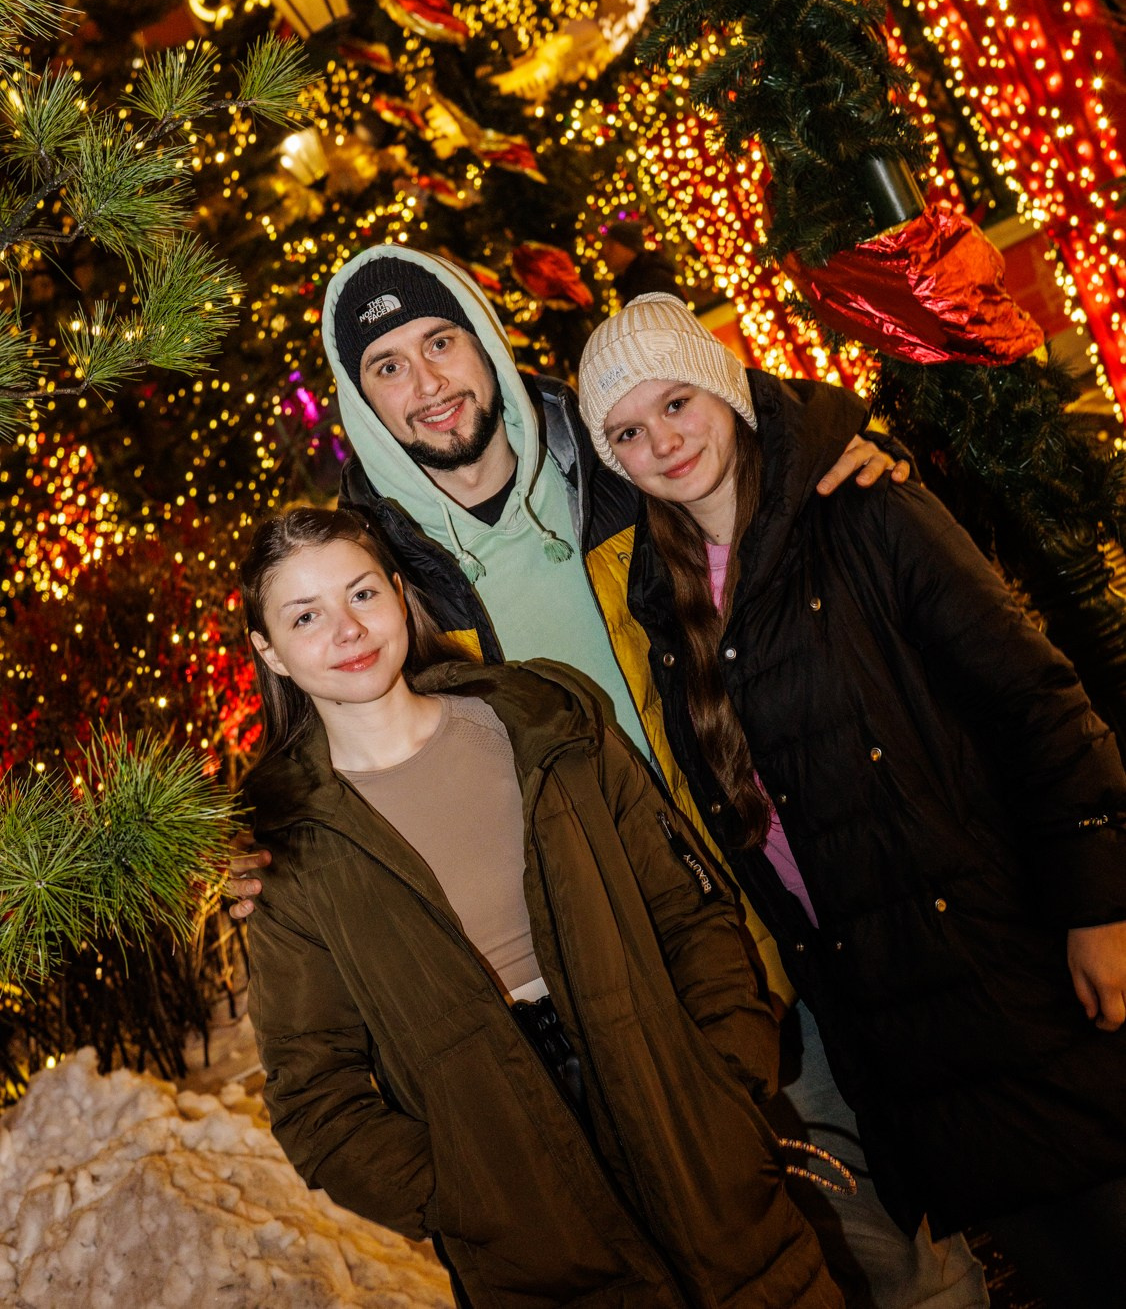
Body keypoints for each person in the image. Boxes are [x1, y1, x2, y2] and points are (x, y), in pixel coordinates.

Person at [229, 245, 991, 1308]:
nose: (429, 381)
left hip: (767, 920)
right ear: (360, 397)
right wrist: (269, 857)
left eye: (441, 341)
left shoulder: (617, 463)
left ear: (487, 339)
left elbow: (734, 438)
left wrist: (834, 438)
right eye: (388, 366)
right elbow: (335, 732)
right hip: (610, 986)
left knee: (898, 1251)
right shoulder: (382, 564)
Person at [577, 292, 1126, 1309]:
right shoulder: (664, 601)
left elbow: (1031, 697)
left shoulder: (862, 506)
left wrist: (1099, 902)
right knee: (1054, 1266)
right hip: (893, 1007)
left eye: (676, 405)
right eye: (626, 430)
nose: (661, 440)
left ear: (726, 392)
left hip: (1006, 957)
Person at [239, 504, 843, 1308]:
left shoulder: (545, 719)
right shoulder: (290, 848)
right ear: (269, 653)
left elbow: (690, 913)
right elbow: (316, 1097)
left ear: (398, 593)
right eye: (305, 616)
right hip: (533, 1250)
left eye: (361, 594)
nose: (346, 630)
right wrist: (464, 1196)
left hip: (701, 1156)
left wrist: (723, 1078)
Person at [600, 217, 681, 300]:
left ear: (628, 246)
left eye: (611, 245)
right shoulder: (632, 283)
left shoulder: (652, 280)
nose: (605, 251)